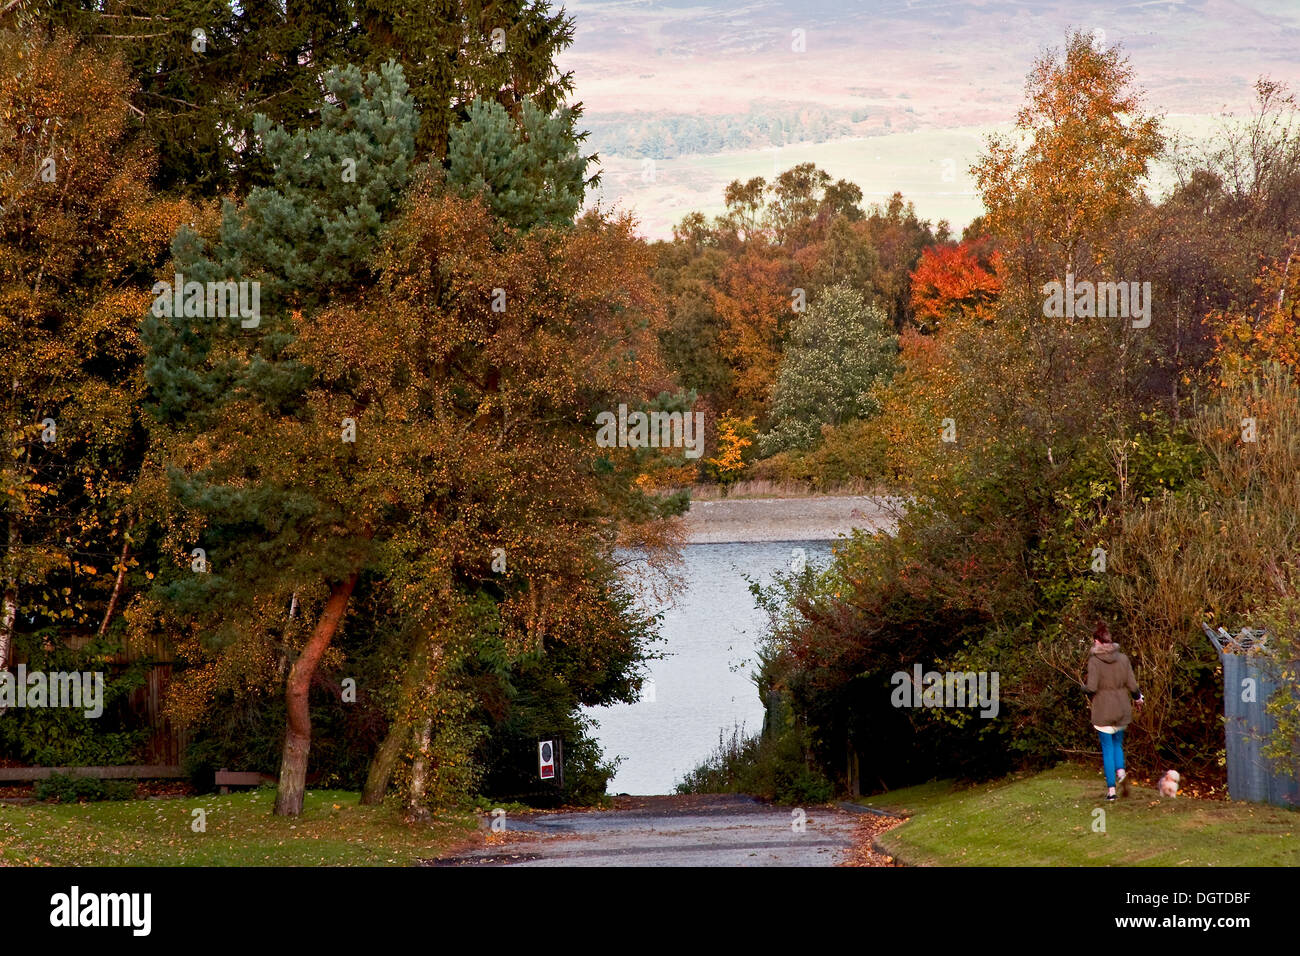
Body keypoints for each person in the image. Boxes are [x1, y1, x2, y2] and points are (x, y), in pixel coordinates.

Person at [1086, 621, 1144, 800]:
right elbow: (1132, 685)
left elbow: (1092, 688)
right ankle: (1122, 773)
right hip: (1121, 709)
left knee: (1107, 748)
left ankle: (1111, 791)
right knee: (1118, 744)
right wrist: (1138, 698)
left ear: (1097, 641)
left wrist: (1083, 687)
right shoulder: (1124, 659)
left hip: (1103, 710)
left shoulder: (1094, 661)